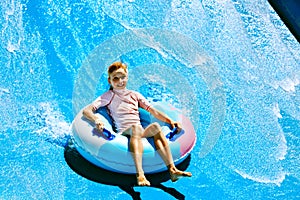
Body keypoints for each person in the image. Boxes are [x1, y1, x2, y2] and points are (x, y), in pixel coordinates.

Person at [82, 61, 192, 186]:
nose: (120, 81)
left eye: (122, 77)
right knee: (136, 128)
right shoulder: (108, 96)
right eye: (115, 78)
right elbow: (87, 110)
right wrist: (97, 120)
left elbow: (153, 111)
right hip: (124, 132)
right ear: (110, 81)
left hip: (139, 130)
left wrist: (171, 121)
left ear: (127, 77)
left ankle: (172, 170)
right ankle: (140, 174)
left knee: (155, 127)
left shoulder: (135, 95)